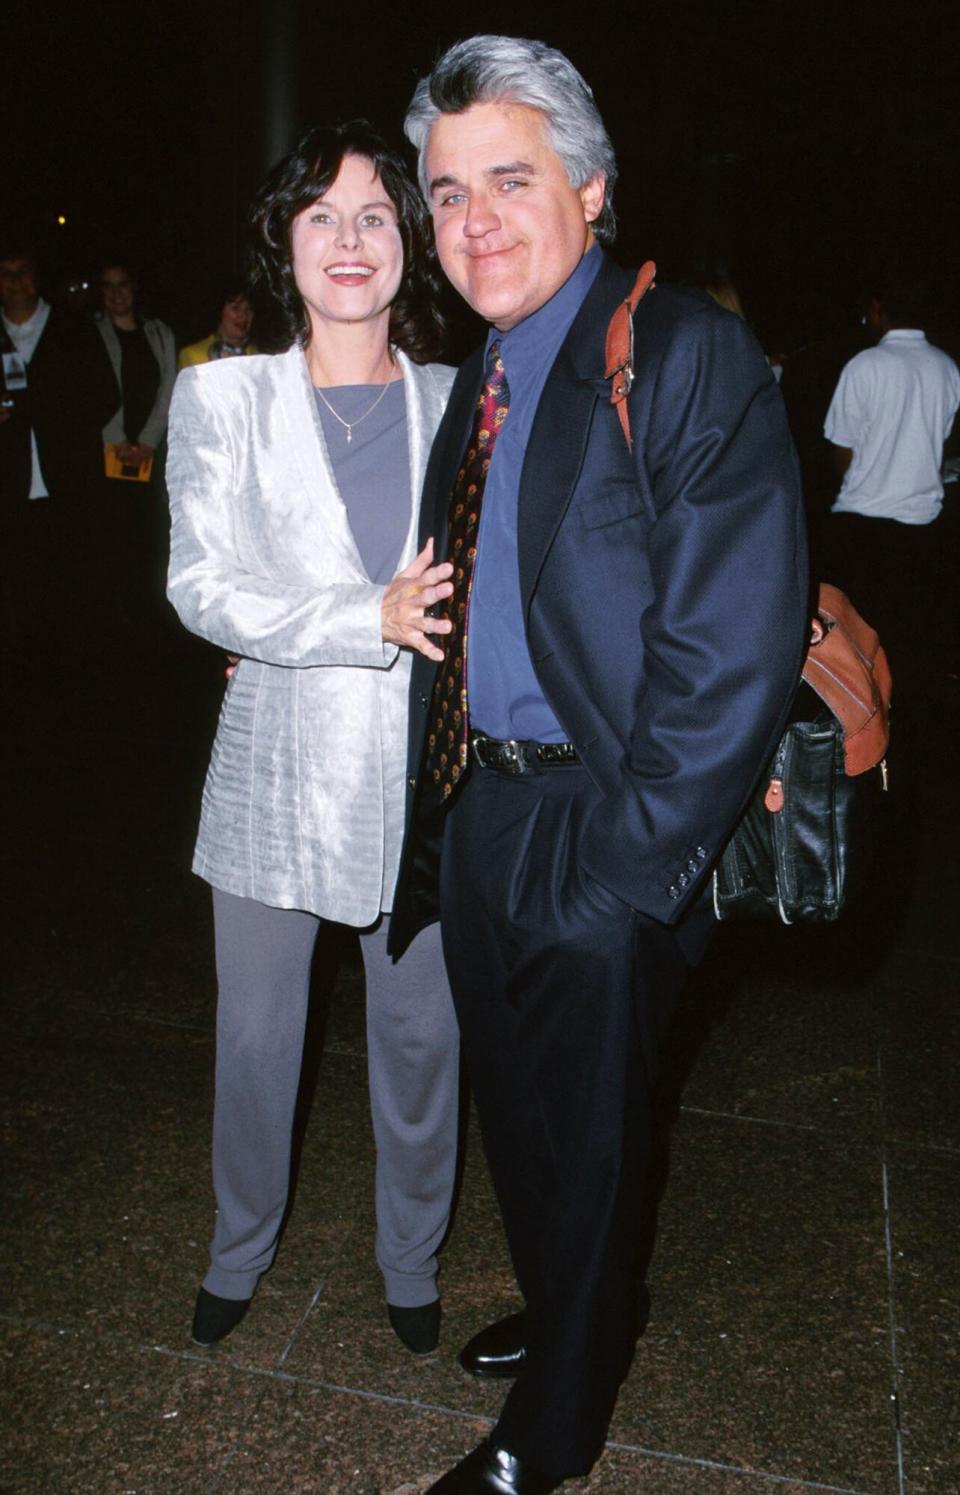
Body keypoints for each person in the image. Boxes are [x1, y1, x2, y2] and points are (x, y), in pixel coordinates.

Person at [388, 37, 809, 1493]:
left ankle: (551, 1433)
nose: (474, 220)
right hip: (490, 801)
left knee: (594, 1127)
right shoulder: (487, 368)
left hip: (607, 815)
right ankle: (576, 1303)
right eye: (447, 193)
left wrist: (624, 877)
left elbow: (732, 643)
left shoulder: (679, 349)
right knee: (527, 1111)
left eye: (510, 178)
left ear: (592, 184)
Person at [165, 120, 461, 1357]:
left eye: (378, 217)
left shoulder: (461, 399)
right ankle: (241, 1245)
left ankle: (411, 1257)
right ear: (285, 243)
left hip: (420, 784)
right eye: (324, 216)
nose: (352, 241)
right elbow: (199, 583)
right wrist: (360, 615)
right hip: (276, 770)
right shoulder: (222, 393)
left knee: (422, 1041)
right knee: (254, 1039)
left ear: (412, 246)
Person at [823, 278, 959, 691]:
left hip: (864, 524)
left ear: (879, 310)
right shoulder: (947, 368)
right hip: (923, 526)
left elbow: (840, 450)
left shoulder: (865, 365)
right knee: (909, 648)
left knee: (856, 654)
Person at [0, 247, 116, 647]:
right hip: (11, 486)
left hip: (68, 481)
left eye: (23, 270)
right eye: (6, 272)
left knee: (72, 581)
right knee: (22, 584)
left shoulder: (72, 328)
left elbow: (105, 395)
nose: (15, 281)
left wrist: (55, 412)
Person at [95, 263, 177, 476]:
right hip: (107, 448)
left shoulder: (160, 332)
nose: (116, 293)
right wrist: (117, 440)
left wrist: (148, 442)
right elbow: (90, 390)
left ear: (133, 287)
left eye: (122, 285)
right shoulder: (90, 333)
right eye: (108, 286)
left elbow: (169, 388)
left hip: (152, 449)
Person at [178, 281, 256, 367]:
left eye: (249, 309)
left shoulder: (257, 356)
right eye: (235, 308)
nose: (244, 315)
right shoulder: (191, 355)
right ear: (219, 310)